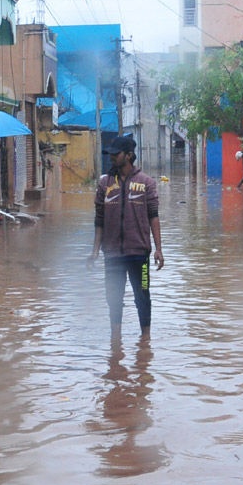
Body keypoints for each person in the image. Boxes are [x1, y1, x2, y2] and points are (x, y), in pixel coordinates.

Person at [87, 135, 163, 337]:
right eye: (110, 154)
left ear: (128, 156)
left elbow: (153, 216)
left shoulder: (146, 183)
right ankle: (115, 340)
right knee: (113, 297)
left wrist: (159, 249)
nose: (111, 157)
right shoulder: (105, 184)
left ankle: (145, 341)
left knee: (143, 296)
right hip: (112, 255)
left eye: (116, 154)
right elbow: (99, 219)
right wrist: (95, 251)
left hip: (140, 255)